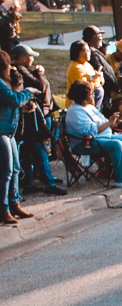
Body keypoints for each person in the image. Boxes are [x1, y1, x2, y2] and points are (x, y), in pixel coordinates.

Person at [62, 80, 122, 191]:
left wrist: (113, 120)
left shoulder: (90, 107)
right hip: (85, 143)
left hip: (103, 138)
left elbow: (104, 122)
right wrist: (109, 123)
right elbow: (90, 131)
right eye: (91, 94)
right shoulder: (75, 111)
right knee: (116, 144)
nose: (94, 95)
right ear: (84, 97)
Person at [11, 44, 65, 195]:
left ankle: (29, 183)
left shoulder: (22, 71)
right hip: (29, 120)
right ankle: (49, 183)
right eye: (30, 56)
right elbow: (41, 86)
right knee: (40, 152)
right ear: (23, 58)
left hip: (28, 120)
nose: (32, 59)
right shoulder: (20, 71)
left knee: (28, 153)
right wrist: (40, 73)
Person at [0, 50, 35, 223]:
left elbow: (9, 104)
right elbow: (13, 99)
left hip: (9, 131)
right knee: (6, 171)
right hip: (2, 131)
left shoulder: (4, 82)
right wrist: (28, 92)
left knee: (15, 168)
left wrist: (23, 107)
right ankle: (4, 208)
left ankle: (14, 203)